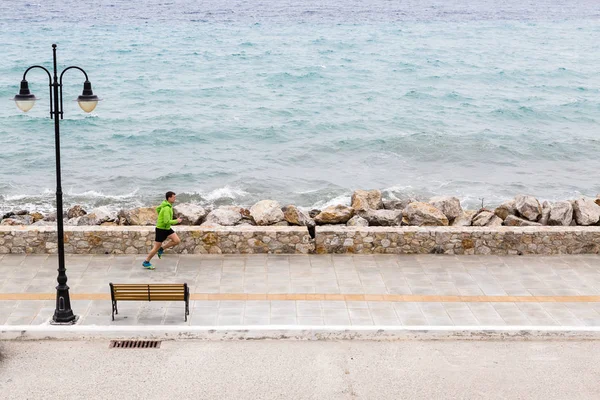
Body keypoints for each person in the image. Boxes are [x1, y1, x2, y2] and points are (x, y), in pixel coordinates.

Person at [142, 191, 182, 269]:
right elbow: (166, 221)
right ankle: (146, 262)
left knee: (176, 240)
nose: (175, 199)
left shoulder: (166, 205)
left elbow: (158, 209)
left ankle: (162, 249)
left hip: (166, 228)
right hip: (161, 229)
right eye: (174, 197)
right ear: (169, 198)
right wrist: (177, 221)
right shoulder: (167, 208)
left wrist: (161, 215)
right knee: (156, 247)